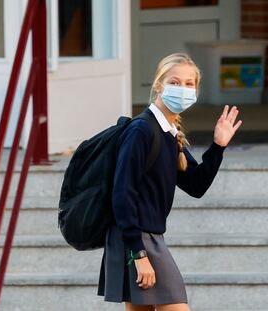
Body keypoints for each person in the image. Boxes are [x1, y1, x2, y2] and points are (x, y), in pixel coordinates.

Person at [97, 52, 242, 311]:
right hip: (136, 238)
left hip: (144, 236)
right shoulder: (142, 130)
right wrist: (138, 254)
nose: (182, 89)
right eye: (175, 82)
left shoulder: (169, 133)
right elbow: (122, 192)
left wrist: (218, 146)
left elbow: (196, 186)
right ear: (158, 85)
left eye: (189, 84)